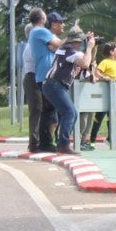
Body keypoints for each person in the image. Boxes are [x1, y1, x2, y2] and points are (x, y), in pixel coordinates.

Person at [41, 27, 94, 155]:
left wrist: (90, 47)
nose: (81, 44)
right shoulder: (71, 51)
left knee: (72, 113)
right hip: (55, 85)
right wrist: (90, 47)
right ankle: (63, 145)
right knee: (69, 113)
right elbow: (86, 63)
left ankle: (62, 143)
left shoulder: (63, 49)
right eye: (80, 41)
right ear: (77, 41)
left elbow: (87, 62)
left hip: (52, 85)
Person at [23, 8, 61, 153]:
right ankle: (36, 141)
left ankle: (41, 140)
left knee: (44, 109)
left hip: (36, 75)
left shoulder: (34, 40)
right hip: (33, 76)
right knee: (38, 108)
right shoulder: (34, 39)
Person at [81, 40, 116, 151]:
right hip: (104, 97)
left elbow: (115, 77)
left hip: (114, 96)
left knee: (112, 118)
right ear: (112, 51)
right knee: (98, 119)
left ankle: (110, 138)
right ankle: (92, 142)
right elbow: (97, 73)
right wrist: (105, 78)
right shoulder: (105, 62)